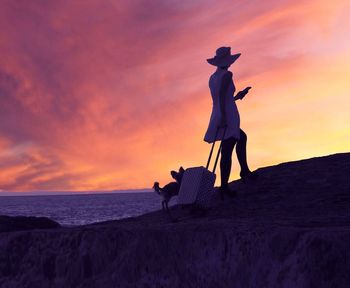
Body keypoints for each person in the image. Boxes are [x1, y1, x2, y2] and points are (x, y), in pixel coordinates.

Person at [204, 46, 257, 199]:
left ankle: (243, 171)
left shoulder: (213, 77)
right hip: (227, 114)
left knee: (240, 138)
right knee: (227, 150)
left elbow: (221, 97)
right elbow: (221, 97)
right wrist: (224, 117)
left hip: (219, 112)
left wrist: (237, 96)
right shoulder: (227, 75)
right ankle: (225, 187)